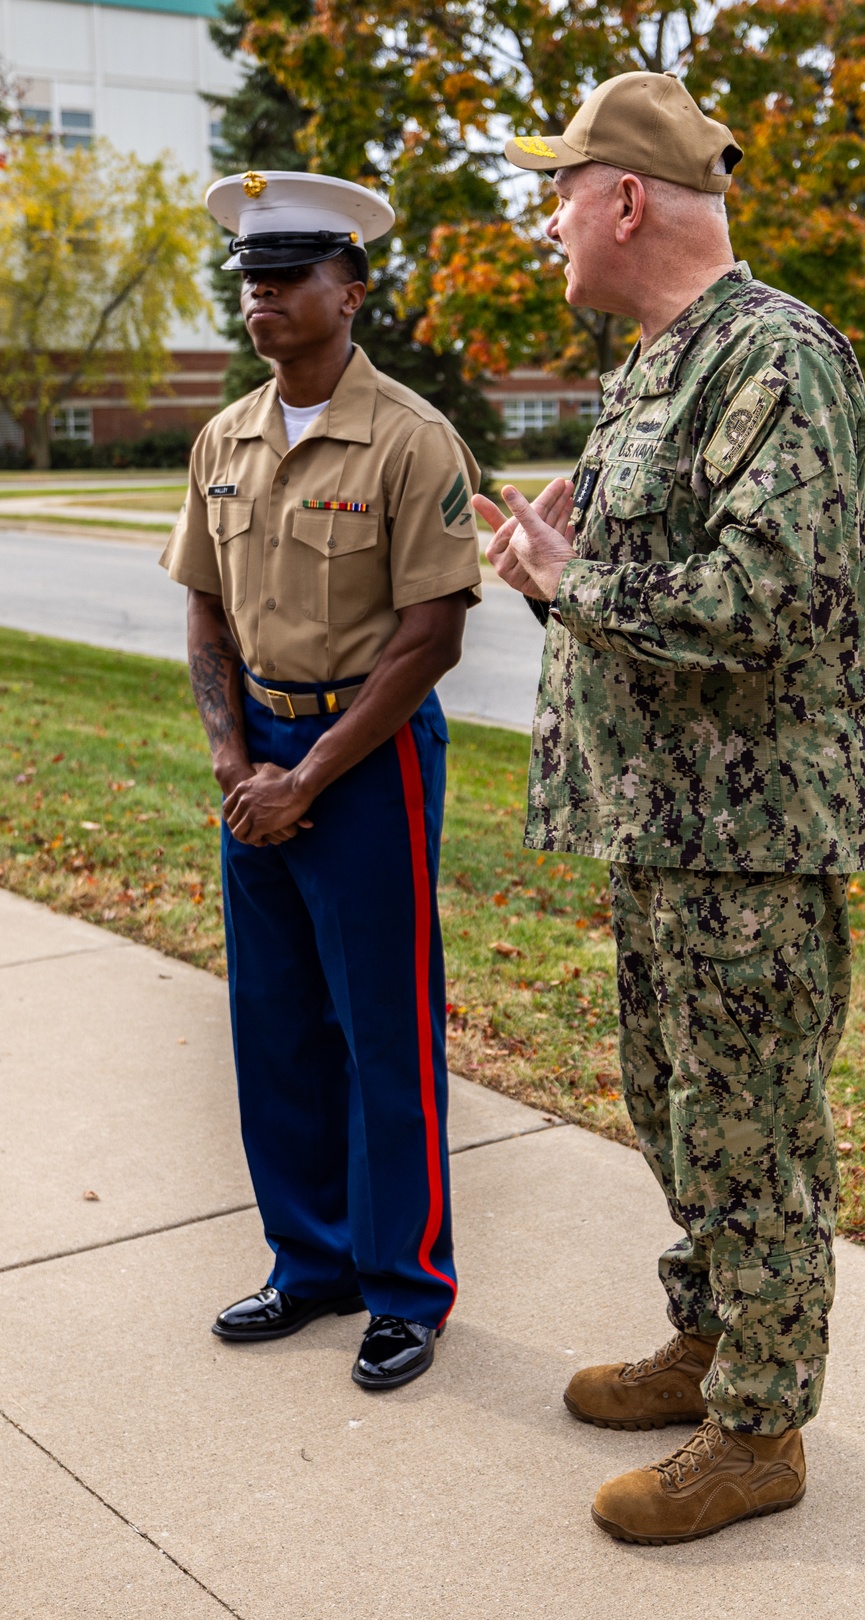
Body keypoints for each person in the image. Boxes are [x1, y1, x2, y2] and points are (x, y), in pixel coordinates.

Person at [475, 72, 865, 1543]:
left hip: (752, 846)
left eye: (562, 193)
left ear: (627, 198)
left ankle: (763, 1432)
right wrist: (554, 574)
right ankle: (713, 1344)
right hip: (664, 829)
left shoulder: (775, 356)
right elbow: (640, 607)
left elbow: (760, 601)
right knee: (678, 1112)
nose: (550, 226)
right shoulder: (656, 367)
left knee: (751, 1128)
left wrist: (566, 580)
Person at [160, 170, 482, 1391]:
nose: (262, 298)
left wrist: (309, 776)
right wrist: (237, 760)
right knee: (275, 1026)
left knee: (380, 1034)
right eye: (251, 279)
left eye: (288, 277)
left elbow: (432, 634)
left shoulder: (408, 435)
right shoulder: (223, 437)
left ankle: (405, 1290)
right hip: (259, 752)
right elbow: (203, 608)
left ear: (351, 292)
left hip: (368, 755)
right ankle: (309, 1265)